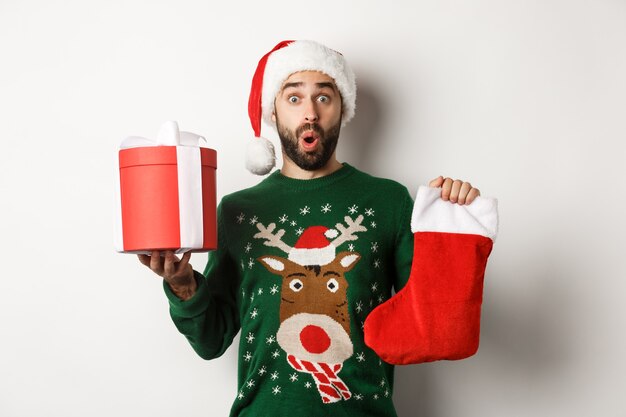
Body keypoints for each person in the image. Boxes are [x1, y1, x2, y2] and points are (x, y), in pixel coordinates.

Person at [138, 40, 481, 417]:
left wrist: (452, 229)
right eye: (294, 98)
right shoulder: (236, 212)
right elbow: (210, 340)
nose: (310, 113)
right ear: (274, 111)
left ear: (342, 109)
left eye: (324, 97)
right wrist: (183, 284)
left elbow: (428, 318)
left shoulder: (388, 202)